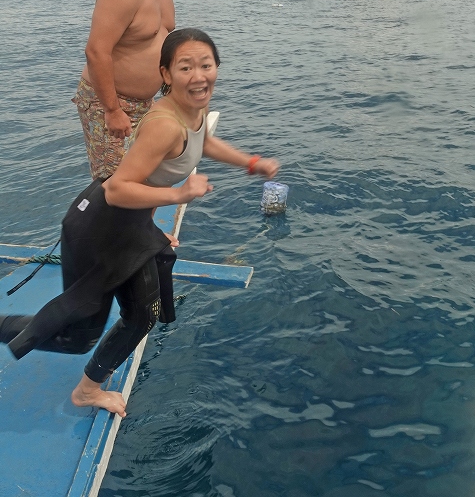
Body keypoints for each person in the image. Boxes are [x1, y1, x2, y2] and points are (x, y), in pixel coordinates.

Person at [0, 29, 279, 418]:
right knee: (78, 335)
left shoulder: (190, 110)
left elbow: (202, 142)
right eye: (185, 67)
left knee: (140, 315)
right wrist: (179, 195)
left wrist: (251, 162)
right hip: (100, 227)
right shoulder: (164, 123)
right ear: (165, 74)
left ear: (217, 67)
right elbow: (117, 190)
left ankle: (86, 389)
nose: (198, 76)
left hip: (128, 224)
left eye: (206, 65)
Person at [73, 0, 180, 181]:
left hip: (145, 103)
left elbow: (164, 42)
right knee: (119, 184)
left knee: (149, 175)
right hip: (109, 103)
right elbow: (96, 51)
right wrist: (112, 110)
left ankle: (143, 225)